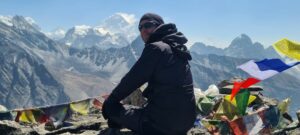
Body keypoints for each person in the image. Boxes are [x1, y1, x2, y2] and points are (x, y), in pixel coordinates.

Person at [102, 13, 196, 135]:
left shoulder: (156, 48)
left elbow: (132, 79)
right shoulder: (176, 47)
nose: (143, 30)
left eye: (148, 25)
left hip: (161, 125)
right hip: (186, 123)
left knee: (113, 109)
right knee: (132, 110)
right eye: (140, 28)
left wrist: (110, 101)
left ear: (159, 26)